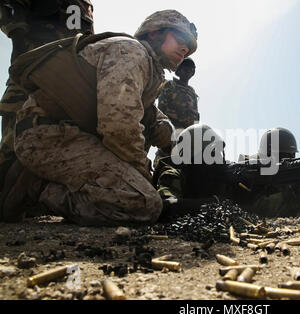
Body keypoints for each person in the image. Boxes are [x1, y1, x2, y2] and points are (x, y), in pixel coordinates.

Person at [5, 10, 198, 226]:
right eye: (180, 39)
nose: (185, 49)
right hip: (48, 137)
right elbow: (119, 127)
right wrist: (144, 175)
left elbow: (152, 120)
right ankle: (38, 187)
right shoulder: (131, 52)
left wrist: (184, 149)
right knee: (144, 203)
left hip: (66, 135)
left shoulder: (148, 70)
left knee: (141, 186)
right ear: (153, 34)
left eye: (189, 48)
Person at [0, 0, 94, 210]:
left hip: (65, 76)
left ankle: (26, 202)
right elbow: (10, 8)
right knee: (14, 137)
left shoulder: (85, 4)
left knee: (47, 137)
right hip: (33, 67)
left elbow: (84, 38)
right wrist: (19, 45)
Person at [157, 58, 199, 130]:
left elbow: (195, 114)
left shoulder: (192, 92)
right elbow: (161, 107)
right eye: (185, 69)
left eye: (191, 70)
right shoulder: (170, 85)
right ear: (179, 70)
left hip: (188, 131)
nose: (188, 71)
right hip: (171, 128)